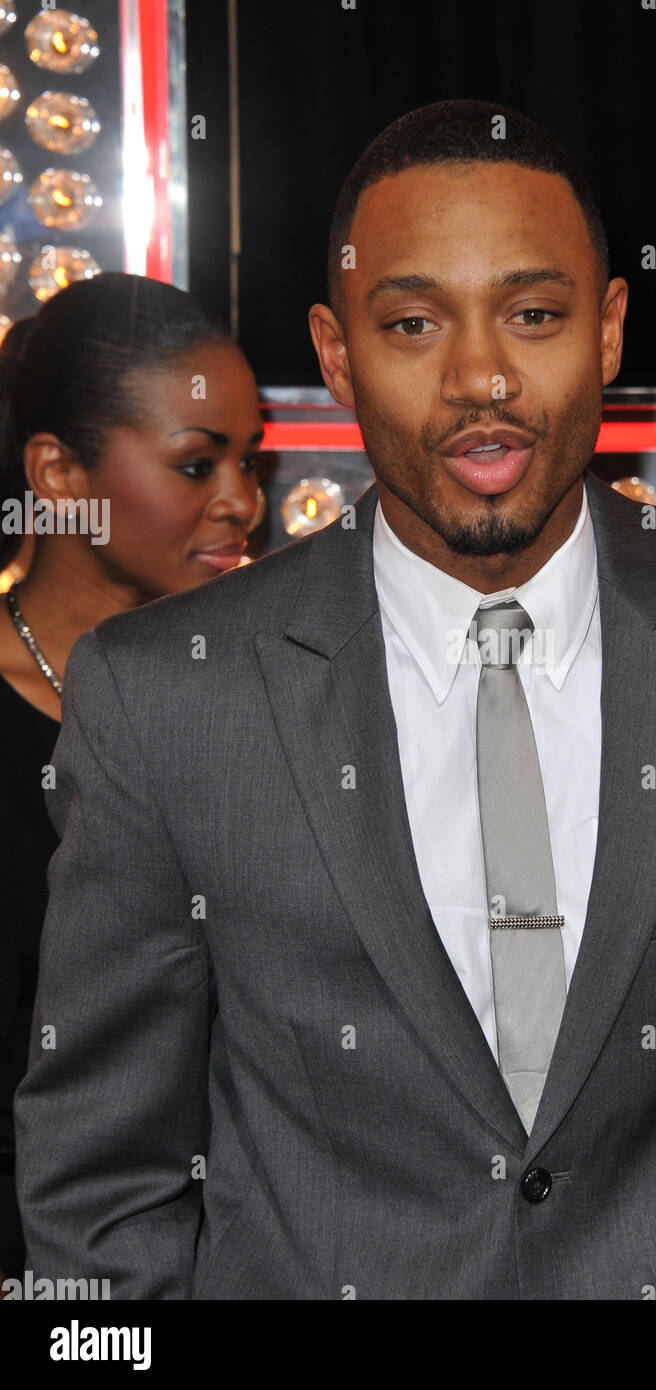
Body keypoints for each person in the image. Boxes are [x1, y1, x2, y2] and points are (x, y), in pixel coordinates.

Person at [14, 101, 656, 1300]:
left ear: (605, 332)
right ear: (336, 353)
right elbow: (102, 1187)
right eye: (409, 323)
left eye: (534, 315)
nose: (480, 377)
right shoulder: (161, 697)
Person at [0, 272, 264, 1283]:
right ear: (60, 476)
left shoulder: (264, 692)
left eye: (248, 460)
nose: (242, 501)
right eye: (197, 465)